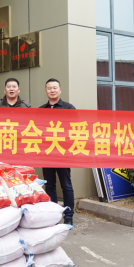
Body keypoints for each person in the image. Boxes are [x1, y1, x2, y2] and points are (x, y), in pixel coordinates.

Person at [39, 78, 76, 225]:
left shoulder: (69, 108)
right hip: (47, 153)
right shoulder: (41, 110)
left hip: (63, 153)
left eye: (55, 88)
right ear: (46, 91)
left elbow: (74, 130)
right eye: (49, 88)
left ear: (60, 90)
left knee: (66, 185)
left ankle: (68, 216)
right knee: (49, 185)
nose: (52, 90)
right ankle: (53, 215)